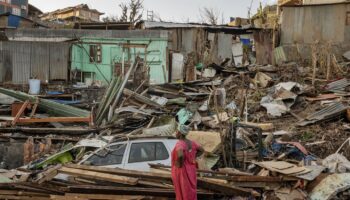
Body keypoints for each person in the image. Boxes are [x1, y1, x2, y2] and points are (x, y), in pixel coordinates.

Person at [171, 125, 204, 200]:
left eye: (176, 131)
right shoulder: (192, 143)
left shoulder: (180, 143)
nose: (176, 133)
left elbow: (180, 155)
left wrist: (180, 164)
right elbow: (202, 150)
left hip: (182, 171)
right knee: (191, 190)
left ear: (179, 133)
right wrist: (193, 157)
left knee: (183, 190)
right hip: (191, 169)